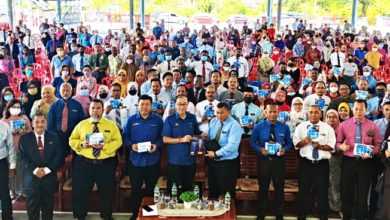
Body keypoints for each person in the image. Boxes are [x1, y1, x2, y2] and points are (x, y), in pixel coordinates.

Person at [69, 99, 123, 220]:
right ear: (89, 110)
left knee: (107, 191)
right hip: (84, 163)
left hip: (105, 164)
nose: (95, 111)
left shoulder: (111, 125)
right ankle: (80, 215)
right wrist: (82, 144)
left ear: (102, 110)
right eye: (93, 108)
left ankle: (106, 215)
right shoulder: (81, 125)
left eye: (98, 108)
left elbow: (118, 141)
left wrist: (105, 146)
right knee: (81, 191)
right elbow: (71, 140)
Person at [336, 100, 382, 220]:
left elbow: (378, 144)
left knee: (363, 193)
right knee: (346, 192)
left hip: (365, 163)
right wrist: (341, 147)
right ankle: (346, 217)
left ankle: (361, 217)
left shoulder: (372, 125)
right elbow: (337, 143)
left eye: (361, 109)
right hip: (348, 161)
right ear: (352, 109)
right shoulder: (344, 125)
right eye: (356, 108)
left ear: (365, 110)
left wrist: (372, 152)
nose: (358, 111)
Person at [122, 95, 164, 220]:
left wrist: (156, 146)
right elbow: (125, 136)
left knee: (151, 190)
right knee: (135, 190)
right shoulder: (131, 120)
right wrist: (131, 145)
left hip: (152, 161)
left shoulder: (158, 120)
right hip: (135, 161)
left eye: (147, 104)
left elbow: (162, 137)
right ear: (138, 105)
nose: (144, 107)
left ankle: (148, 215)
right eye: (142, 104)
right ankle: (136, 214)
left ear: (151, 106)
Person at [293, 105, 336, 220]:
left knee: (322, 190)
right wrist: (305, 141)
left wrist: (320, 146)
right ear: (308, 114)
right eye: (311, 112)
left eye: (316, 112)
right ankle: (302, 215)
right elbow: (296, 145)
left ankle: (322, 214)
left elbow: (332, 147)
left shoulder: (327, 128)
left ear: (320, 114)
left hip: (322, 164)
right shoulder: (301, 127)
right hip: (306, 163)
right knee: (303, 190)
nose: (313, 114)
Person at [250, 102, 292, 220]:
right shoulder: (259, 127)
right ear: (266, 112)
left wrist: (285, 149)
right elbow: (252, 143)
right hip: (264, 161)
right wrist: (260, 149)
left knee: (279, 188)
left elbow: (289, 143)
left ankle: (279, 213)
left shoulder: (284, 127)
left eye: (275, 112)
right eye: (270, 112)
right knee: (263, 188)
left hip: (279, 161)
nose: (273, 114)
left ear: (278, 113)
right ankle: (262, 212)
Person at [19, 111, 62, 220]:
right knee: (32, 208)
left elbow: (58, 156)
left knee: (48, 207)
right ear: (32, 124)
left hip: (49, 178)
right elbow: (23, 158)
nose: (40, 124)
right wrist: (35, 170)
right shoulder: (24, 139)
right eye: (37, 122)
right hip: (32, 179)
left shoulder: (54, 137)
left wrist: (47, 170)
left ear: (46, 123)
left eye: (42, 121)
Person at [162, 95, 202, 192]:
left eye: (184, 104)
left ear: (188, 105)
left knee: (187, 190)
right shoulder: (170, 119)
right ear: (175, 105)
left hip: (190, 160)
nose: (182, 107)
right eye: (179, 104)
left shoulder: (192, 118)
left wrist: (201, 135)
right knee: (172, 190)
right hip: (175, 161)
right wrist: (181, 139)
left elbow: (197, 134)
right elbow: (165, 139)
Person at [206, 102, 242, 198]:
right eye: (217, 113)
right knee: (213, 191)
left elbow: (232, 146)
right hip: (213, 162)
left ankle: (229, 212)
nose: (219, 115)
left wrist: (216, 153)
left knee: (226, 193)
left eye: (222, 113)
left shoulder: (235, 125)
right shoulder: (213, 121)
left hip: (227, 163)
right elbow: (210, 138)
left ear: (229, 112)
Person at [2, 99, 32, 198]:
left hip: (22, 149)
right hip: (9, 150)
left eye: (18, 107)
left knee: (22, 170)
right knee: (11, 171)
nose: (16, 109)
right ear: (9, 108)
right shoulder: (3, 121)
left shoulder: (24, 118)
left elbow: (30, 131)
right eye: (14, 107)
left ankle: (22, 189)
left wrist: (23, 131)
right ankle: (12, 190)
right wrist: (10, 132)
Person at [48, 83, 85, 159]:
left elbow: (81, 123)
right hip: (58, 135)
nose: (65, 92)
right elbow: (50, 124)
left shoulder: (78, 105)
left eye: (67, 90)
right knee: (59, 157)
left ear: (71, 92)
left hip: (73, 135)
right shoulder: (54, 106)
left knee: (74, 157)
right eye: (63, 90)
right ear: (59, 91)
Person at [0, 107, 15, 220]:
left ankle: (7, 216)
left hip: (2, 162)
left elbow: (11, 147)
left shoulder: (5, 126)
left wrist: (12, 165)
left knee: (4, 190)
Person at [325, 109, 341, 213]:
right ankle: (324, 206)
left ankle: (336, 207)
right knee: (323, 184)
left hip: (336, 161)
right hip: (323, 160)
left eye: (334, 117)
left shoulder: (341, 129)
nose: (331, 119)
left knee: (335, 184)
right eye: (329, 117)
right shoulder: (322, 129)